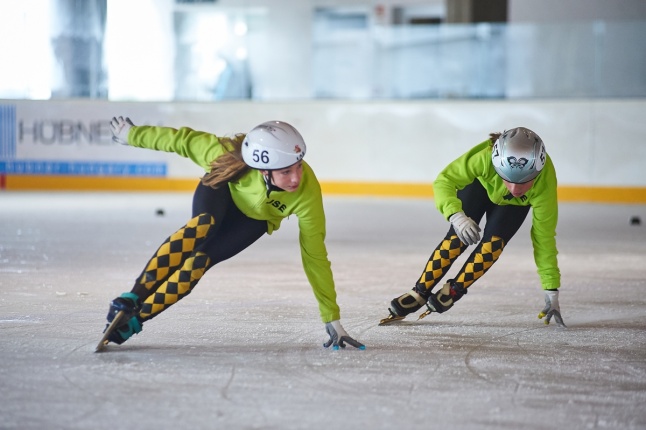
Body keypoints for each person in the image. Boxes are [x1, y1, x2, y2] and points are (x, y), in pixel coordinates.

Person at [103, 116, 365, 350]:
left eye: (298, 165)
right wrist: (130, 134)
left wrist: (331, 317)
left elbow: (314, 255)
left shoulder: (307, 194)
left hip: (254, 220)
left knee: (197, 263)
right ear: (263, 170)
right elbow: (180, 140)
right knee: (202, 226)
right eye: (286, 171)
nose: (297, 178)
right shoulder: (223, 154)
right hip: (220, 190)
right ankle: (132, 297)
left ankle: (135, 320)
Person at [379, 127, 566, 327]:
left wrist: (551, 289)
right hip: (480, 186)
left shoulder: (545, 183)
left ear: (537, 173)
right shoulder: (484, 158)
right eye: (507, 178)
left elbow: (543, 237)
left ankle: (454, 290)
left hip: (512, 207)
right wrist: (456, 215)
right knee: (457, 239)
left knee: (492, 247)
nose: (514, 189)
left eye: (524, 182)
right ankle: (419, 292)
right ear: (497, 164)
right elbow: (444, 181)